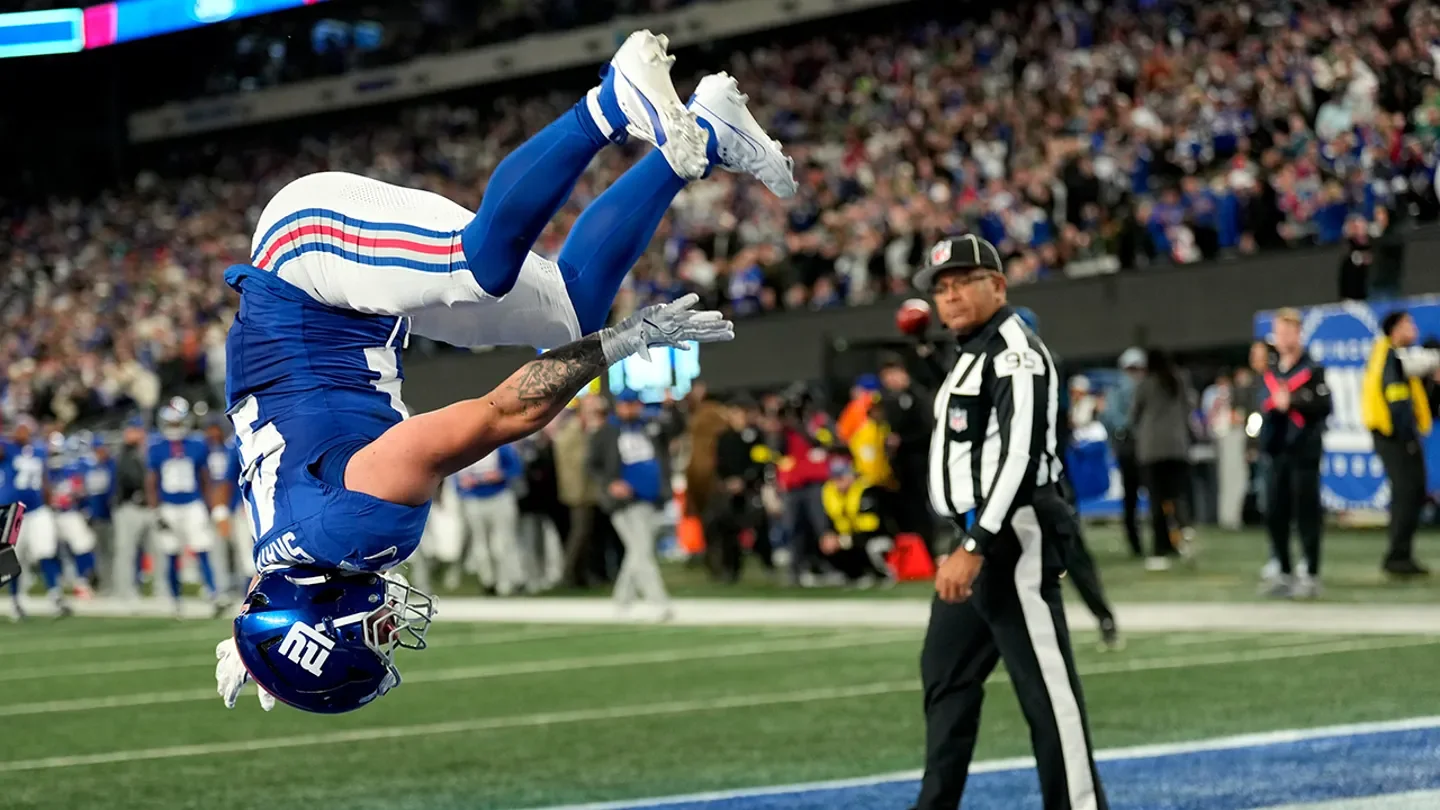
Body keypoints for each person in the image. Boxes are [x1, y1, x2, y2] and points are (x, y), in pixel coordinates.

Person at [217, 31, 781, 714]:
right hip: (346, 302)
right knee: (570, 308)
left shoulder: (357, 529)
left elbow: (505, 411)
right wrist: (257, 640)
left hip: (306, 253)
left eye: (370, 634)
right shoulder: (296, 552)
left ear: (323, 611)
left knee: (479, 270)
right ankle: (707, 130)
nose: (390, 629)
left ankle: (609, 101)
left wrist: (625, 343)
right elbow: (280, 578)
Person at [909, 235, 1107, 810]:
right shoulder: (971, 350)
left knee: (1048, 693)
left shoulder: (1014, 351)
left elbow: (1019, 457)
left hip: (1011, 535)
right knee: (945, 676)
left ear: (997, 285)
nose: (950, 298)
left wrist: (974, 544)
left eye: (963, 283)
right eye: (942, 289)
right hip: (975, 536)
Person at [1258, 309, 1331, 598]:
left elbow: (1325, 405)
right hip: (1276, 452)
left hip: (1304, 452)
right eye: (1279, 332)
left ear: (1298, 333)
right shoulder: (1272, 372)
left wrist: (1296, 401)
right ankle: (1283, 570)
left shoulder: (1312, 368)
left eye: (1288, 331)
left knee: (1306, 514)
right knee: (1275, 512)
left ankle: (1311, 572)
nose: (1283, 337)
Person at [1362, 309, 1440, 576]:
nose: (1413, 328)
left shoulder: (1391, 355)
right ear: (1395, 329)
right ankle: (1398, 556)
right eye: (1408, 323)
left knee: (1410, 492)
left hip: (1395, 434)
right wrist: (1406, 436)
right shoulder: (1391, 357)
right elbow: (1397, 401)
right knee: (1408, 492)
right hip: (1394, 435)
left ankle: (1401, 553)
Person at [591, 390, 676, 618]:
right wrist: (611, 484)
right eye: (625, 404)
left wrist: (671, 408)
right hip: (624, 502)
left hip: (651, 498)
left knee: (637, 552)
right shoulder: (607, 431)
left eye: (633, 404)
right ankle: (658, 601)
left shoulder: (649, 426)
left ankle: (622, 600)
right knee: (641, 551)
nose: (629, 409)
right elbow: (592, 464)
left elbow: (675, 431)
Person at [146, 400, 225, 617]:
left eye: (177, 422)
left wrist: (210, 506)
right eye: (171, 423)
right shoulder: (157, 447)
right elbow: (152, 480)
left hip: (193, 503)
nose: (174, 426)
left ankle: (213, 594)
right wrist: (155, 510)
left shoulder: (197, 444)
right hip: (168, 506)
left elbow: (205, 477)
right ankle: (175, 598)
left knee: (202, 549)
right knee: (171, 554)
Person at [1130, 349, 1196, 570]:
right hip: (1177, 447)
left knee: (1156, 500)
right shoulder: (1180, 381)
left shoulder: (1145, 384)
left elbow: (1134, 414)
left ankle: (1160, 549)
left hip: (1151, 449)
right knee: (1176, 496)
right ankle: (1182, 535)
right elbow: (1189, 408)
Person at [2, 418, 65, 618]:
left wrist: (50, 502)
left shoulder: (38, 450)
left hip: (38, 509)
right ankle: (16, 602)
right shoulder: (7, 448)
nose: (22, 432)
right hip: (14, 512)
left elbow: (44, 480)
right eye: (19, 428)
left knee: (46, 552)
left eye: (25, 429)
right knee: (13, 559)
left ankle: (55, 597)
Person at [454, 444, 526, 595]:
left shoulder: (500, 445)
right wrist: (461, 485)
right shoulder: (465, 446)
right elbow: (455, 475)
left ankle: (511, 580)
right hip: (473, 499)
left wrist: (500, 474)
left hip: (499, 496)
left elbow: (515, 468)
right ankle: (488, 580)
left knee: (504, 542)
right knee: (481, 544)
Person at [818, 453, 895, 588]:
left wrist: (844, 539)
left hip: (876, 536)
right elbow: (830, 521)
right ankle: (855, 576)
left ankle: (883, 574)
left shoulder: (867, 491)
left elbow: (872, 526)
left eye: (841, 477)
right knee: (826, 544)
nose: (837, 482)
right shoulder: (830, 493)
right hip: (850, 536)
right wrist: (830, 536)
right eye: (834, 478)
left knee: (871, 546)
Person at [1099, 348, 1145, 557]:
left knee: (1133, 496)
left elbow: (1110, 420)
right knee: (1133, 496)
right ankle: (1137, 542)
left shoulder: (1117, 390)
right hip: (1132, 447)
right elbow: (1113, 420)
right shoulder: (1119, 391)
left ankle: (1139, 542)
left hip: (1133, 446)